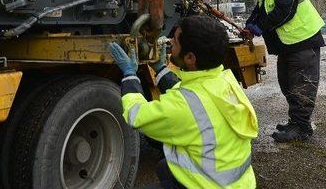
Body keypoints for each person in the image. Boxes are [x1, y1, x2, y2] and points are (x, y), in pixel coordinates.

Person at [109, 15, 258, 189]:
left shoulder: (184, 106)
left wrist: (129, 74)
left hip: (210, 185)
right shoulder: (224, 80)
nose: (170, 42)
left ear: (190, 58)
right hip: (239, 183)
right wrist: (160, 68)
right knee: (164, 167)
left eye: (175, 42)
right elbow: (189, 94)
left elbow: (136, 115)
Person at [243, 0, 324, 142]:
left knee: (302, 85)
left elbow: (284, 12)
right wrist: (249, 24)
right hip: (288, 45)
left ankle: (301, 127)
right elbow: (259, 11)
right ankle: (295, 122)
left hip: (303, 42)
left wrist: (259, 27)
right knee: (287, 84)